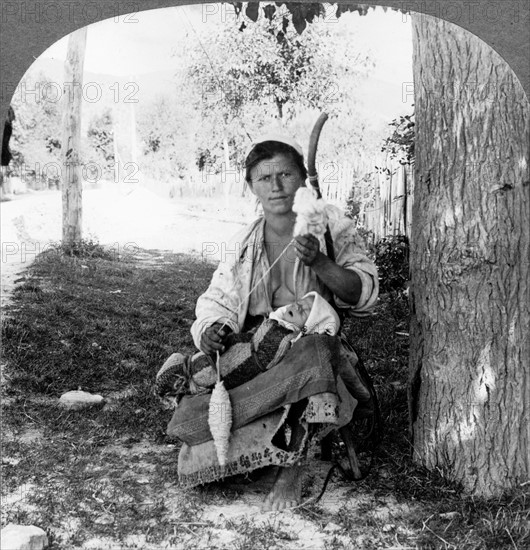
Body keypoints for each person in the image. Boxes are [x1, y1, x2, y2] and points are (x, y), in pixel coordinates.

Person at [162, 134, 378, 511]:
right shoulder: (244, 242)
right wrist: (213, 329)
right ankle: (246, 445)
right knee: (197, 402)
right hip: (259, 346)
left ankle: (290, 469)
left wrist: (320, 264)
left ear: (302, 178)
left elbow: (363, 293)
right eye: (265, 178)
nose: (276, 186)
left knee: (315, 353)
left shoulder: (331, 227)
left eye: (285, 174)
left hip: (312, 344)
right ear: (251, 187)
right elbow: (217, 301)